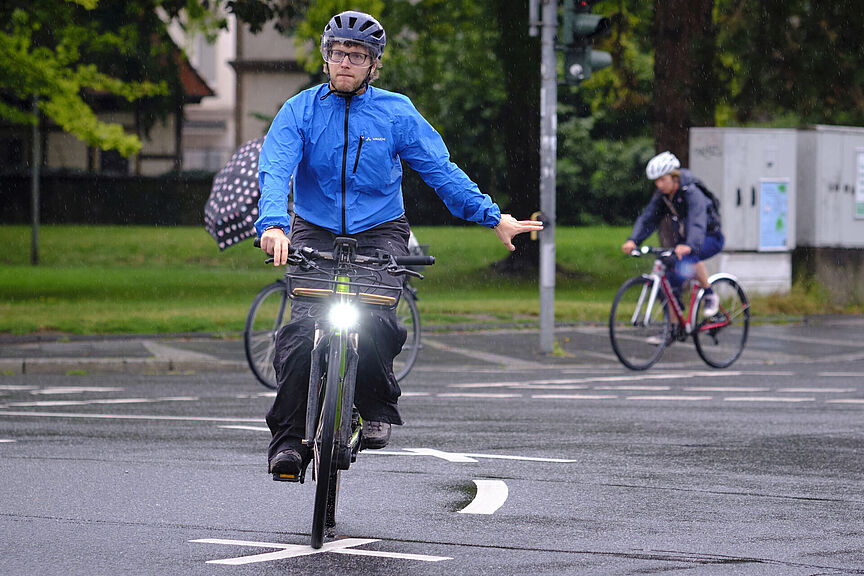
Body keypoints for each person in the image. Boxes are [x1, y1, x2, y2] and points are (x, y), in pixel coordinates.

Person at [255, 10, 543, 480]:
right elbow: (276, 168)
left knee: (377, 321)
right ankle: (287, 442)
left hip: (381, 228)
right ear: (326, 58)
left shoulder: (395, 112)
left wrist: (493, 217)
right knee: (300, 335)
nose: (345, 61)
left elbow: (440, 171)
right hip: (312, 226)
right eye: (337, 53)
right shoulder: (300, 110)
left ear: (374, 64)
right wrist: (274, 226)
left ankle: (374, 408)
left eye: (357, 55)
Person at [621, 151, 724, 317]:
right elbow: (648, 218)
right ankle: (672, 329)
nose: (659, 185)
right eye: (656, 181)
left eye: (663, 180)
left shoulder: (692, 192)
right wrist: (633, 240)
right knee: (669, 280)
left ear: (674, 177)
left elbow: (697, 221)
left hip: (710, 238)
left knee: (689, 259)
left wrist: (690, 245)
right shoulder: (664, 196)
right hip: (686, 241)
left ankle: (710, 294)